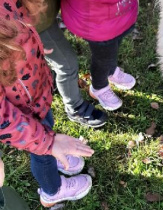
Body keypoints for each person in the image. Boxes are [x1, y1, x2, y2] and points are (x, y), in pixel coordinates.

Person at [0, 0, 94, 207]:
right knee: (41, 153)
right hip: (24, 115)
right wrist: (47, 143)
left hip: (36, 95)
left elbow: (18, 27)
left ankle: (56, 156)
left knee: (48, 126)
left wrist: (35, 48)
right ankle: (53, 190)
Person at [36, 0, 108, 128]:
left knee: (52, 59)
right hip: (35, 22)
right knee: (67, 65)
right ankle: (75, 107)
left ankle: (50, 79)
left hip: (44, 13)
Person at [61, 0, 139, 111]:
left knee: (115, 44)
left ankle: (110, 71)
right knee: (103, 57)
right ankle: (99, 86)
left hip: (119, 12)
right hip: (97, 19)